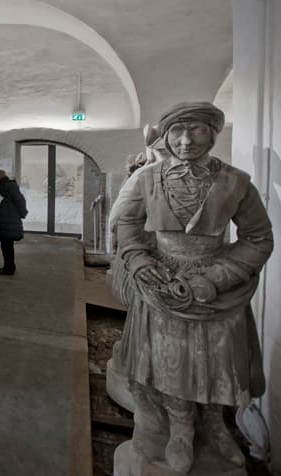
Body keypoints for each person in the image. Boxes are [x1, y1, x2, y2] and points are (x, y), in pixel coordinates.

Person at [110, 102, 273, 473]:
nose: (186, 141)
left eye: (196, 130)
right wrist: (140, 261)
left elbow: (259, 237)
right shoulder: (147, 178)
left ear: (211, 134)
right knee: (169, 357)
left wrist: (216, 278)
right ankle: (180, 426)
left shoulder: (235, 181)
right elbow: (127, 225)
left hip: (217, 284)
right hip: (162, 282)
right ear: (166, 137)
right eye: (177, 132)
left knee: (218, 358)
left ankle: (215, 424)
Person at [0, 169, 27, 275]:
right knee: (6, 246)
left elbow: (20, 200)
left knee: (7, 246)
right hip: (3, 223)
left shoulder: (8, 187)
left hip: (8, 222)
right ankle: (8, 267)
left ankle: (9, 268)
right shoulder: (1, 188)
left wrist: (22, 214)